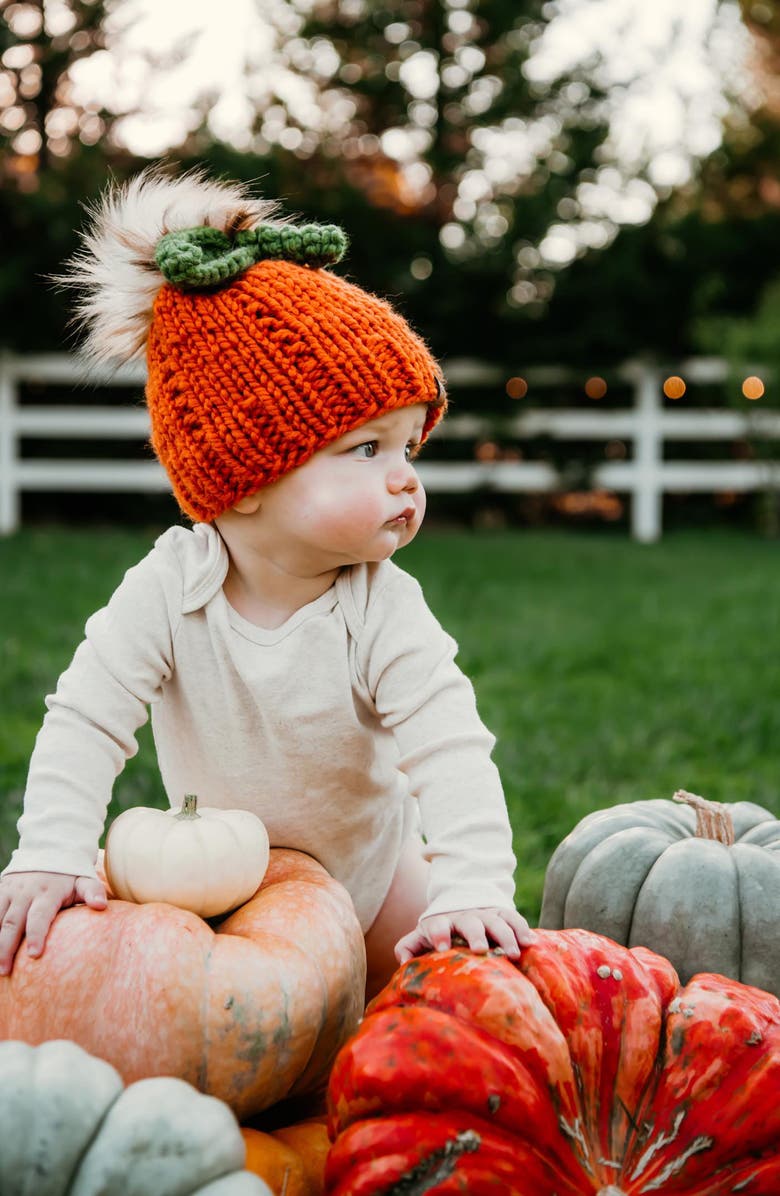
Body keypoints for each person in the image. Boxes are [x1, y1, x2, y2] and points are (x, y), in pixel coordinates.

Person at [0, 168, 534, 997]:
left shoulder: (381, 604)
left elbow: (449, 745)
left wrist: (470, 887)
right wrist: (51, 850)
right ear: (244, 478)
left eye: (408, 449)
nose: (405, 480)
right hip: (217, 888)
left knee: (455, 989)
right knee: (163, 1005)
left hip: (371, 880)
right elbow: (86, 718)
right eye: (367, 450)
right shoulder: (170, 589)